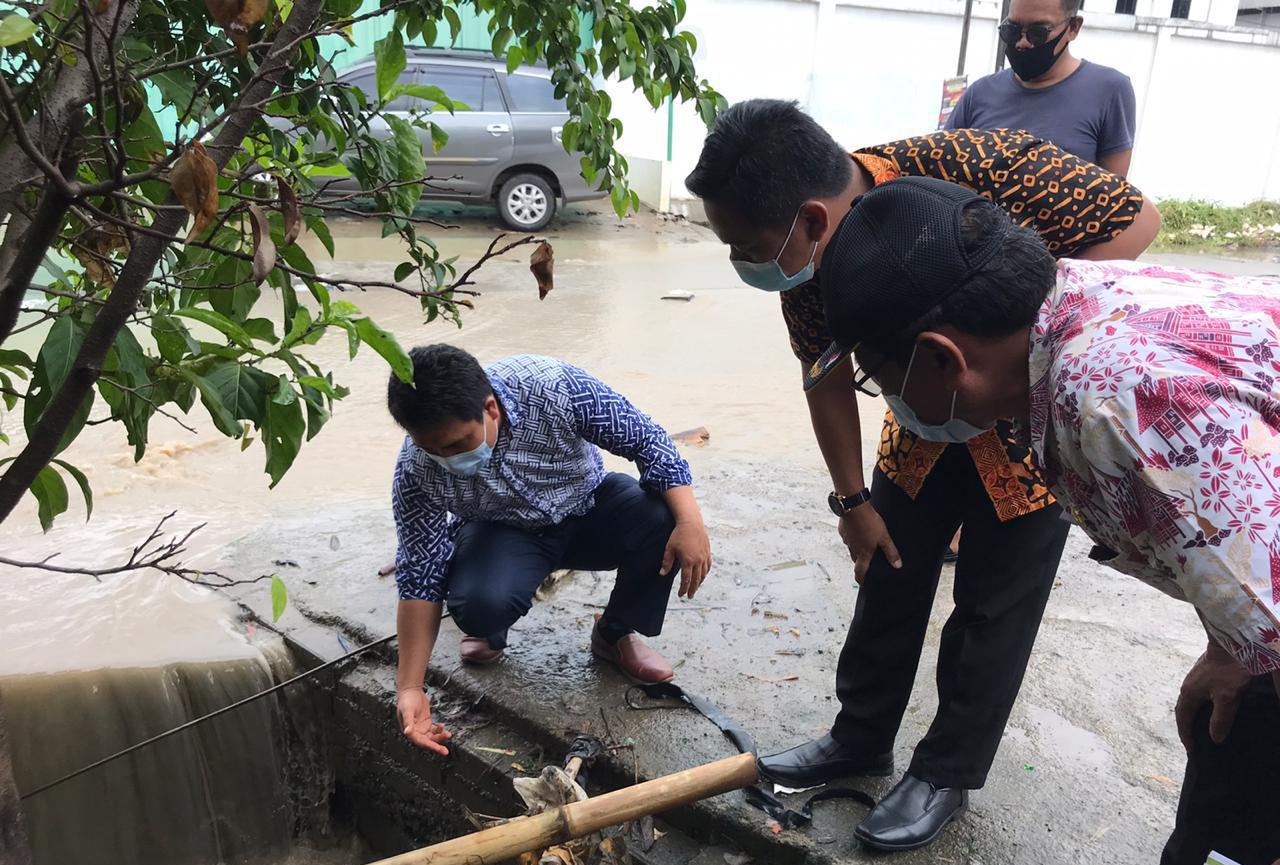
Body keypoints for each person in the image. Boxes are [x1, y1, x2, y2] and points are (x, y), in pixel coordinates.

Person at [684, 99, 1159, 852]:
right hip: (919, 417)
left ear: (812, 219)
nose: (741, 259)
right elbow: (823, 372)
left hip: (1018, 418)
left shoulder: (982, 163)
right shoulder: (803, 265)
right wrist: (851, 500)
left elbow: (1137, 220)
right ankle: (860, 736)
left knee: (994, 606)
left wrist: (1027, 329)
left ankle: (945, 771)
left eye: (743, 244)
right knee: (888, 571)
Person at [813, 175, 1280, 865]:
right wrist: (1233, 645)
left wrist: (1260, 644)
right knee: (1226, 780)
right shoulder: (1071, 298)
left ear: (943, 358)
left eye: (877, 377)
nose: (885, 397)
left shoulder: (1113, 409)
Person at [387, 346, 712, 755]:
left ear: (490, 409)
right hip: (501, 531)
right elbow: (420, 571)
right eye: (433, 451)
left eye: (457, 445)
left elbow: (647, 440)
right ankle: (491, 625)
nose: (447, 459)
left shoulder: (553, 387)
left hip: (586, 505)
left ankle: (614, 633)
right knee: (479, 603)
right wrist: (410, 687)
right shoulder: (415, 470)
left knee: (662, 518)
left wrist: (691, 522)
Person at [946, 0, 1138, 176]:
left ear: (1073, 27)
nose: (1022, 43)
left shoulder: (1109, 91)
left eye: (1038, 33)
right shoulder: (979, 94)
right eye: (1012, 30)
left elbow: (1113, 194)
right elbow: (940, 173)